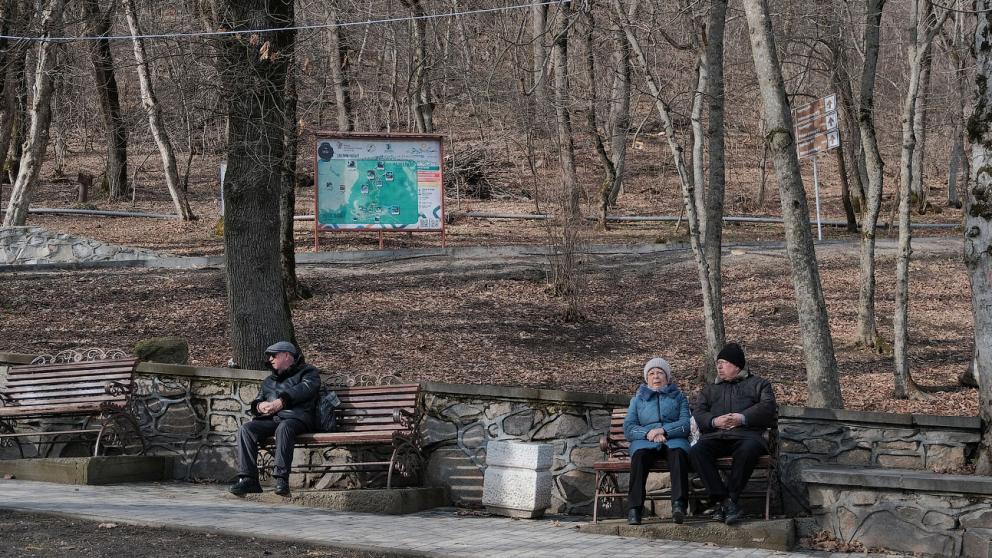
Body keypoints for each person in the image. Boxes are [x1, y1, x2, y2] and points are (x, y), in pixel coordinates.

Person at [689, 342, 777, 525]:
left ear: (737, 365)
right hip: (716, 436)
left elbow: (768, 407)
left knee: (748, 450)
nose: (719, 367)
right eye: (717, 363)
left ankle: (729, 502)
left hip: (748, 436)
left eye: (724, 362)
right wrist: (714, 421)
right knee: (697, 451)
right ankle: (727, 502)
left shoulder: (759, 384)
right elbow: (699, 412)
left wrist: (741, 417)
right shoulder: (709, 389)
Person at [229, 341, 320, 497]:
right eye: (269, 356)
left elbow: (306, 389)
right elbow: (257, 401)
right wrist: (259, 406)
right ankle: (249, 479)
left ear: (286, 355)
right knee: (246, 429)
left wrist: (282, 401)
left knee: (284, 427)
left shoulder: (308, 372)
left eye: (273, 355)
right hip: (272, 419)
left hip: (298, 418)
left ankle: (281, 480)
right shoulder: (269, 381)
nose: (270, 359)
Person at [623, 357, 691, 526]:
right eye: (651, 373)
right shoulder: (637, 400)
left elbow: (685, 423)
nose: (656, 376)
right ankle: (634, 509)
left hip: (673, 439)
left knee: (678, 454)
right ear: (647, 378)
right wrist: (649, 433)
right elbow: (629, 427)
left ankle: (678, 506)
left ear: (667, 377)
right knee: (639, 457)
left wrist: (664, 430)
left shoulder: (679, 398)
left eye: (660, 373)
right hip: (646, 441)